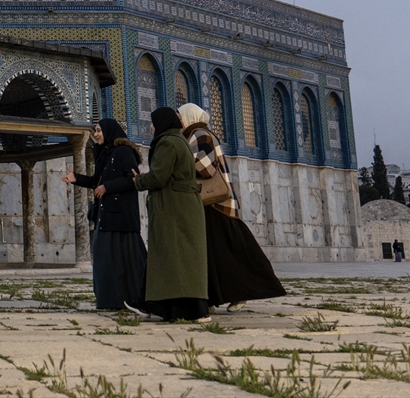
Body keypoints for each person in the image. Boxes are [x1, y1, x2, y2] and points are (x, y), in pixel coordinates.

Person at [177, 103, 285, 312]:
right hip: (212, 203)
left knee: (230, 252)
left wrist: (179, 164)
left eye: (180, 117)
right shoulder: (195, 135)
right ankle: (211, 298)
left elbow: (205, 168)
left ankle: (244, 290)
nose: (179, 121)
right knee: (217, 254)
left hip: (216, 204)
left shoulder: (200, 134)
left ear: (189, 117)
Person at [125, 107, 208, 322]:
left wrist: (138, 181)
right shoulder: (179, 140)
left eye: (153, 123)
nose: (151, 127)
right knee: (176, 259)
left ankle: (187, 310)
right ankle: (156, 305)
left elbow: (159, 178)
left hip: (173, 207)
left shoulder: (167, 143)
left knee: (173, 257)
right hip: (181, 205)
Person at [62, 119, 146, 310]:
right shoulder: (106, 153)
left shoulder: (123, 152)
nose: (96, 134)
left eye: (99, 130)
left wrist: (107, 187)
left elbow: (132, 180)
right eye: (95, 130)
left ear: (109, 131)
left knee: (126, 262)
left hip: (121, 218)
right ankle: (111, 300)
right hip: (107, 215)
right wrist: (77, 179)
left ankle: (134, 299)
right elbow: (97, 182)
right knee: (106, 262)